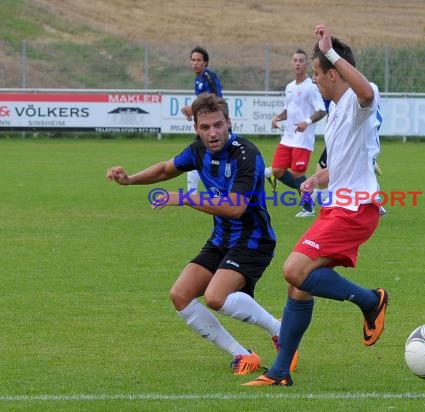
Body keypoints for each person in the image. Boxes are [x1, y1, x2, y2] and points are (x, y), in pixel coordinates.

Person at [107, 93, 297, 376]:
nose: (213, 133)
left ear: (229, 123)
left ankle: (281, 331)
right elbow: (164, 169)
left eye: (218, 125)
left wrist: (185, 197)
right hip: (221, 239)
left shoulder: (246, 154)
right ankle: (243, 355)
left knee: (216, 297)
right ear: (196, 128)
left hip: (253, 239)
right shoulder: (198, 151)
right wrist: (130, 180)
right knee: (180, 295)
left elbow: (235, 208)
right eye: (205, 127)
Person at [244, 24, 389, 387]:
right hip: (338, 207)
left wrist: (334, 52)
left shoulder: (356, 103)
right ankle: (279, 373)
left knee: (294, 270)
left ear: (333, 72)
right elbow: (344, 163)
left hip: (355, 210)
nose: (314, 80)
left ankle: (371, 301)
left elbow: (368, 92)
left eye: (316, 73)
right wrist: (315, 179)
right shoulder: (337, 111)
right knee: (299, 286)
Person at [266, 49, 327, 218]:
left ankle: (308, 208)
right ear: (292, 64)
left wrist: (306, 122)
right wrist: (278, 117)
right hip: (288, 137)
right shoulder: (290, 87)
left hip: (302, 139)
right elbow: (289, 109)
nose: (298, 63)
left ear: (307, 64)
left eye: (301, 60)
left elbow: (322, 110)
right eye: (295, 60)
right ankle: (308, 190)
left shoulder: (311, 87)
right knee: (277, 171)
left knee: (298, 173)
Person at [181, 46, 224, 193]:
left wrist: (193, 109)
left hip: (216, 126)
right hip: (208, 127)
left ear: (205, 62)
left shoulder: (208, 77)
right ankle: (268, 173)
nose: (195, 63)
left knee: (231, 159)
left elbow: (216, 102)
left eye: (198, 60)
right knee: (197, 155)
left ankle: (191, 195)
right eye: (193, 60)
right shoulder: (198, 78)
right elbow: (203, 104)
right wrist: (194, 113)